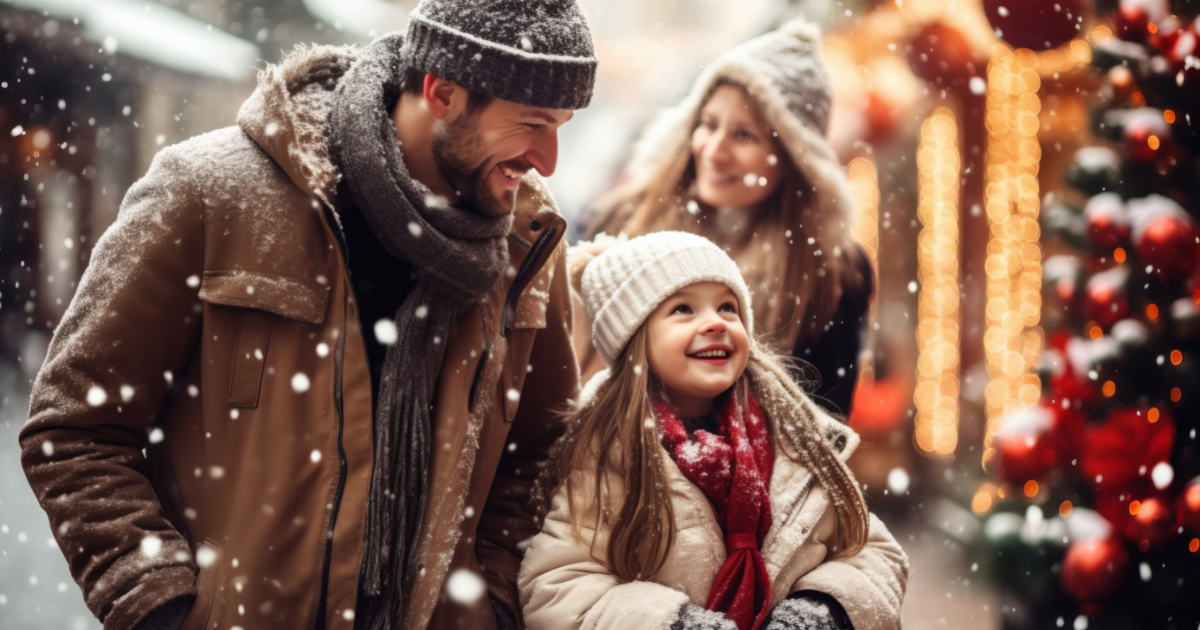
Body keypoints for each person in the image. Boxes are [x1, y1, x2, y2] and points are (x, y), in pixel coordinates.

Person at [18, 1, 595, 629]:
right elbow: (76, 428)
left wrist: (494, 604)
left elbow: (541, 453)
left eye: (563, 125)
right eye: (532, 124)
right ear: (442, 92)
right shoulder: (211, 192)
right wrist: (160, 605)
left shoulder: (526, 244)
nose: (549, 158)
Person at [519, 232, 907, 630]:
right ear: (633, 339)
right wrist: (671, 623)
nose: (715, 323)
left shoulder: (795, 440)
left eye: (727, 307)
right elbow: (558, 587)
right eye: (683, 309)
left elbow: (872, 551)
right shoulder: (605, 454)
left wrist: (825, 607)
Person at [577, 19, 872, 416]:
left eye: (744, 135)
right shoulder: (619, 222)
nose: (714, 150)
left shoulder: (832, 270)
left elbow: (825, 426)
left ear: (792, 157)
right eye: (709, 124)